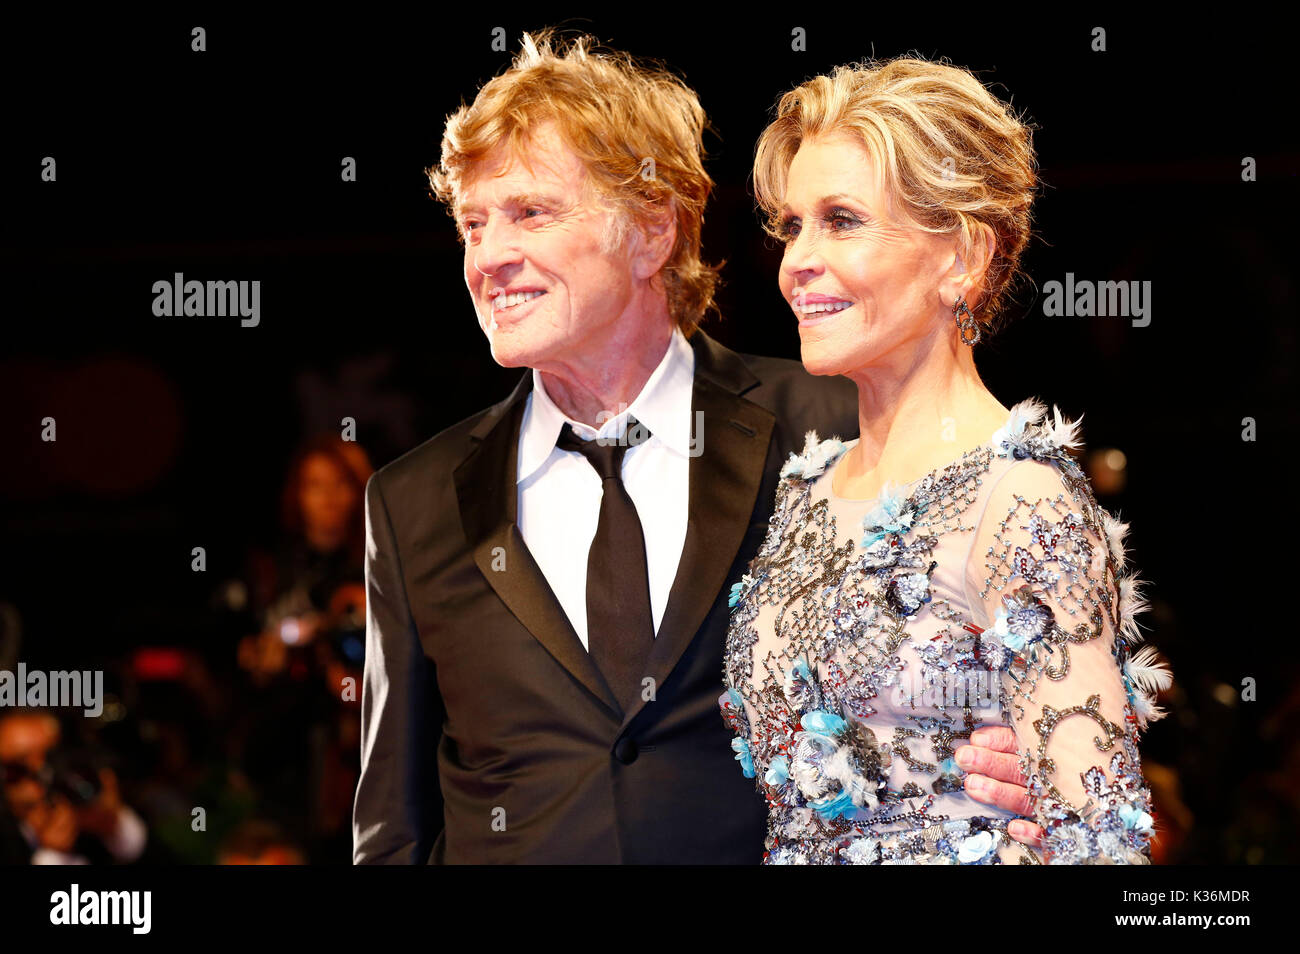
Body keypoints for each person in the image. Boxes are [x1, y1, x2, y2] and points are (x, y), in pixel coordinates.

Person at [352, 30, 1041, 864]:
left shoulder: (834, 428)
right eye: (472, 223)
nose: (489, 256)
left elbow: (1011, 681)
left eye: (531, 211)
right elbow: (394, 828)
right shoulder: (411, 500)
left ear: (652, 232)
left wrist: (1013, 758)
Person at [718, 56, 1171, 863]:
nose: (798, 262)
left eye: (842, 220)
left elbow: (1100, 842)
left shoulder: (1021, 500)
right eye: (793, 226)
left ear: (961, 256)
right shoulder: (809, 489)